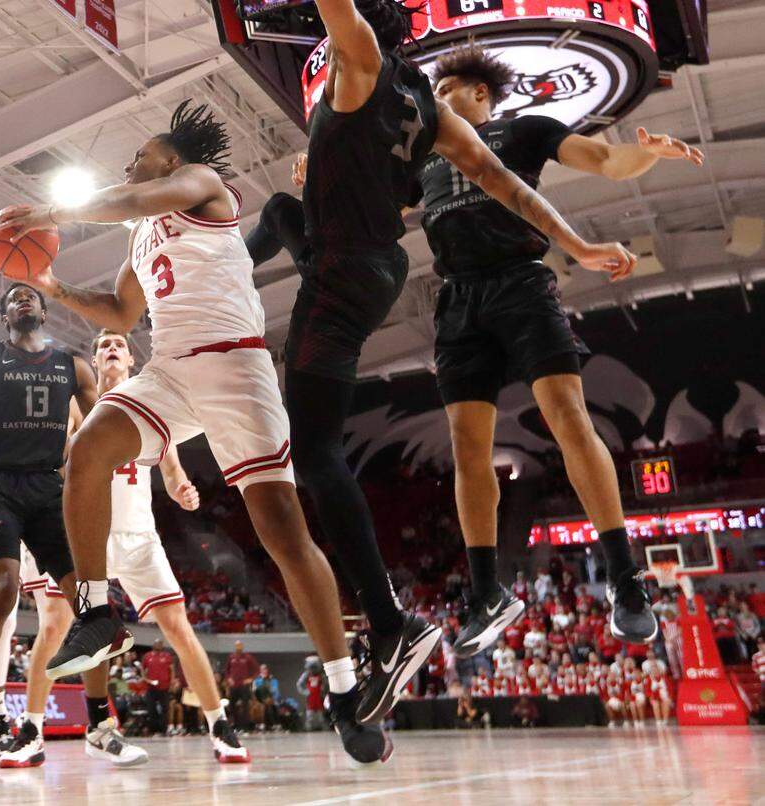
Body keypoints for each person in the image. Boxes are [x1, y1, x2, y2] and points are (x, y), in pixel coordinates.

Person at [250, 0, 637, 724]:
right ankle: (459, 599)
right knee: (280, 210)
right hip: (404, 277)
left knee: (319, 452)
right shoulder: (430, 116)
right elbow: (502, 186)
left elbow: (515, 179)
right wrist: (580, 246)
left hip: (376, 274)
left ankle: (398, 621)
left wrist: (576, 250)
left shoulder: (364, 59)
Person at [0, 98, 389, 765]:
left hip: (236, 364)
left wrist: (56, 214)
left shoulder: (202, 185)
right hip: (173, 369)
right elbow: (121, 308)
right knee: (90, 447)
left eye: (140, 155)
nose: (130, 164)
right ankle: (95, 613)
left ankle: (346, 689)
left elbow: (132, 196)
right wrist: (53, 286)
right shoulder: (140, 233)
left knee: (283, 532)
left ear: (170, 159)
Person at [410, 45, 703, 655]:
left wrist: (642, 154)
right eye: (434, 96)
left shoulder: (524, 129)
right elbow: (370, 205)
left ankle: (626, 583)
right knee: (468, 451)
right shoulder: (424, 151)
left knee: (568, 418)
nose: (438, 103)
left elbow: (603, 158)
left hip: (520, 283)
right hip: (458, 300)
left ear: (481, 95)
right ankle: (486, 591)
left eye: (449, 93)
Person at [0, 330, 249, 767]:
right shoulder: (76, 406)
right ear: (95, 360)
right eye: (102, 345)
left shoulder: (153, 406)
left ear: (131, 359)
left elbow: (171, 471)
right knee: (56, 625)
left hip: (136, 536)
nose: (111, 348)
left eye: (118, 344)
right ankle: (32, 730)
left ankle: (218, 724)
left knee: (178, 629)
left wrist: (182, 489)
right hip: (82, 532)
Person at [0, 283, 137, 776]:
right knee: (3, 592)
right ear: (5, 315)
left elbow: (100, 429)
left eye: (30, 296)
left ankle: (99, 727)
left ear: (44, 312)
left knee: (92, 607)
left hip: (48, 490)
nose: (23, 300)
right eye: (13, 298)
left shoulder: (73, 366)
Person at [297, 656, 327, 732]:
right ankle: (308, 728)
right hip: (310, 697)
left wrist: (324, 691)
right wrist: (305, 692)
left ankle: (324, 727)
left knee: (321, 715)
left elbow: (326, 684)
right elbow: (299, 684)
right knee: (309, 714)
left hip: (319, 697)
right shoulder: (306, 675)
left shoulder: (321, 675)